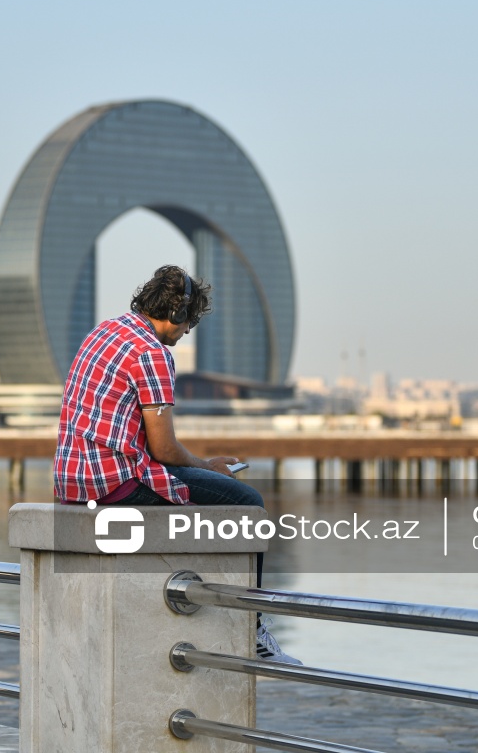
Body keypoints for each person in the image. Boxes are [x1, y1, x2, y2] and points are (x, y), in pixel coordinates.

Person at [54, 265, 299, 664]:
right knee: (249, 505)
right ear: (178, 313)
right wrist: (208, 466)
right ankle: (251, 630)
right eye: (190, 323)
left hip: (73, 481)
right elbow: (165, 449)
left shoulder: (106, 331)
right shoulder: (152, 353)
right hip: (116, 482)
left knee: (200, 495)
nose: (187, 331)